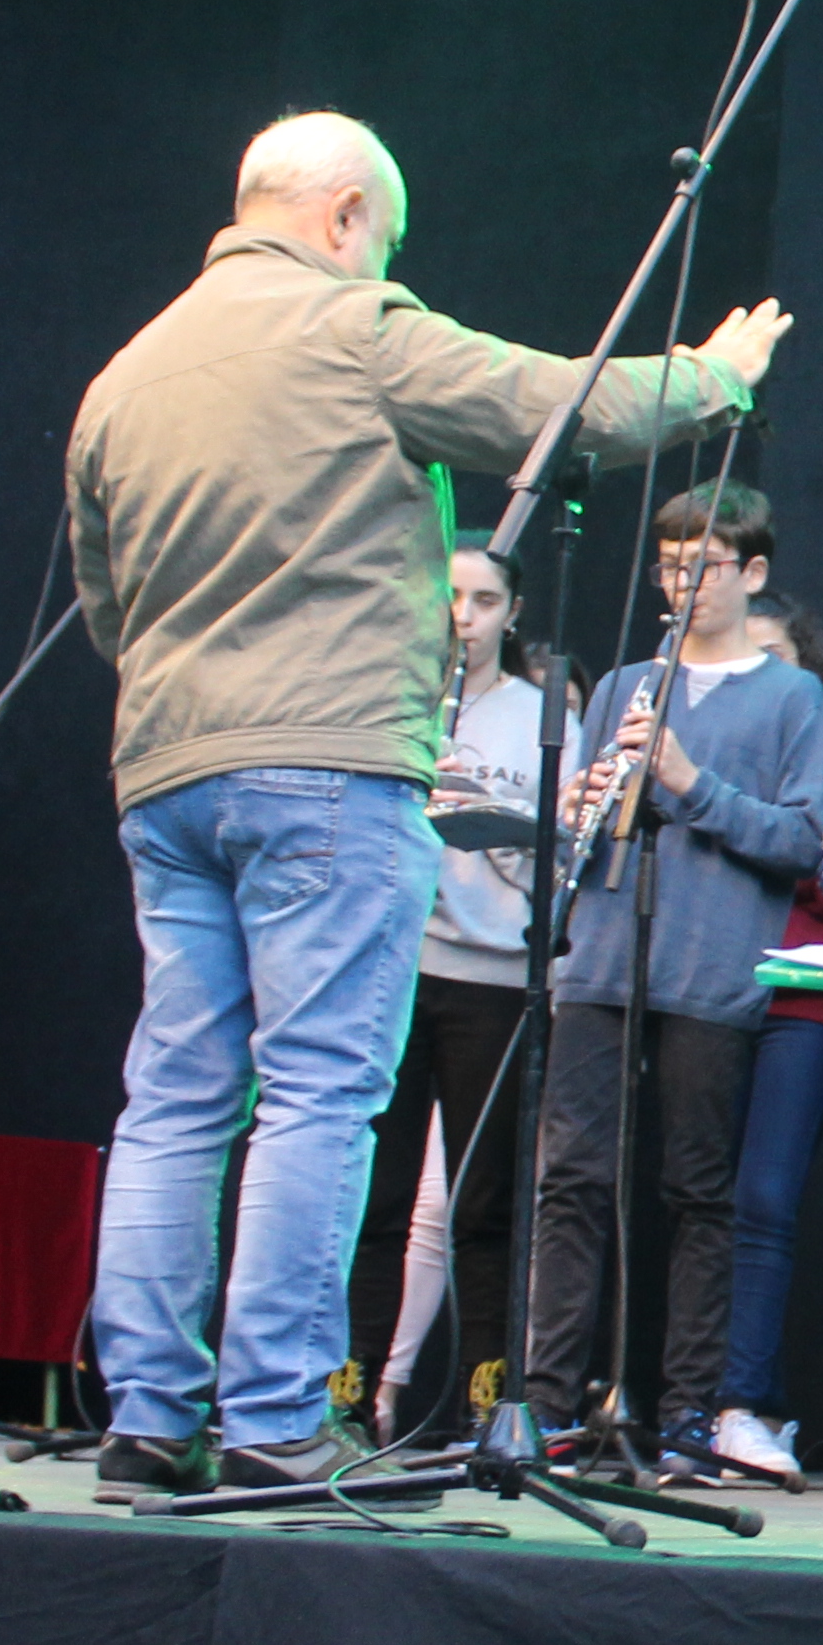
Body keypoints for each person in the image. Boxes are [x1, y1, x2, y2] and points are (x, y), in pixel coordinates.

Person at [63, 112, 783, 1497]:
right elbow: (560, 407)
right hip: (326, 761)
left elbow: (109, 606)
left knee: (172, 1097)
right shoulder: (352, 327)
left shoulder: (125, 375)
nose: (380, 257)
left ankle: (148, 1418)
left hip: (164, 770)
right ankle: (276, 1415)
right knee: (320, 1092)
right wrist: (714, 374)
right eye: (379, 238)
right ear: (342, 214)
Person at [525, 482, 823, 1484]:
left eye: (703, 566)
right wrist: (584, 803)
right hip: (604, 964)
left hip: (710, 971)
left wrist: (691, 786)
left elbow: (801, 840)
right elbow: (593, 826)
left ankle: (690, 1415)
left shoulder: (791, 695)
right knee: (572, 1184)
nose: (682, 584)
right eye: (668, 566)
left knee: (699, 1194)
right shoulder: (624, 684)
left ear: (753, 573)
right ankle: (545, 1410)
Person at [345, 547, 545, 1447]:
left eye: (484, 600)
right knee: (375, 1197)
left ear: (512, 613)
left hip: (491, 976)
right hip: (390, 964)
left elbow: (564, 857)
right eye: (450, 597)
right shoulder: (386, 702)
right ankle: (351, 1392)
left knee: (482, 1203)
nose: (463, 616)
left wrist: (488, 823)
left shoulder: (542, 718)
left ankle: (480, 1401)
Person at [685, 591, 823, 1484]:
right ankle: (691, 1399)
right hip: (708, 991)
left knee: (763, 1198)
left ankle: (743, 1404)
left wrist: (744, 837)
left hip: (807, 995)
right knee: (697, 1196)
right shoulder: (702, 752)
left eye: (773, 657)